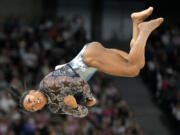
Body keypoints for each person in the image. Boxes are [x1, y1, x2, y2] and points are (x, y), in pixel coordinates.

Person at [9, 7, 164, 118]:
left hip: (88, 59)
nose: (35, 104)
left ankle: (144, 30)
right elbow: (82, 113)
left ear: (31, 92)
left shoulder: (49, 84)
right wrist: (76, 106)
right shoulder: (54, 106)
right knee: (135, 62)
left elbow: (79, 83)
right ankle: (136, 22)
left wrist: (89, 99)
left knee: (133, 69)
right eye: (33, 108)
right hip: (91, 58)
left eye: (31, 101)